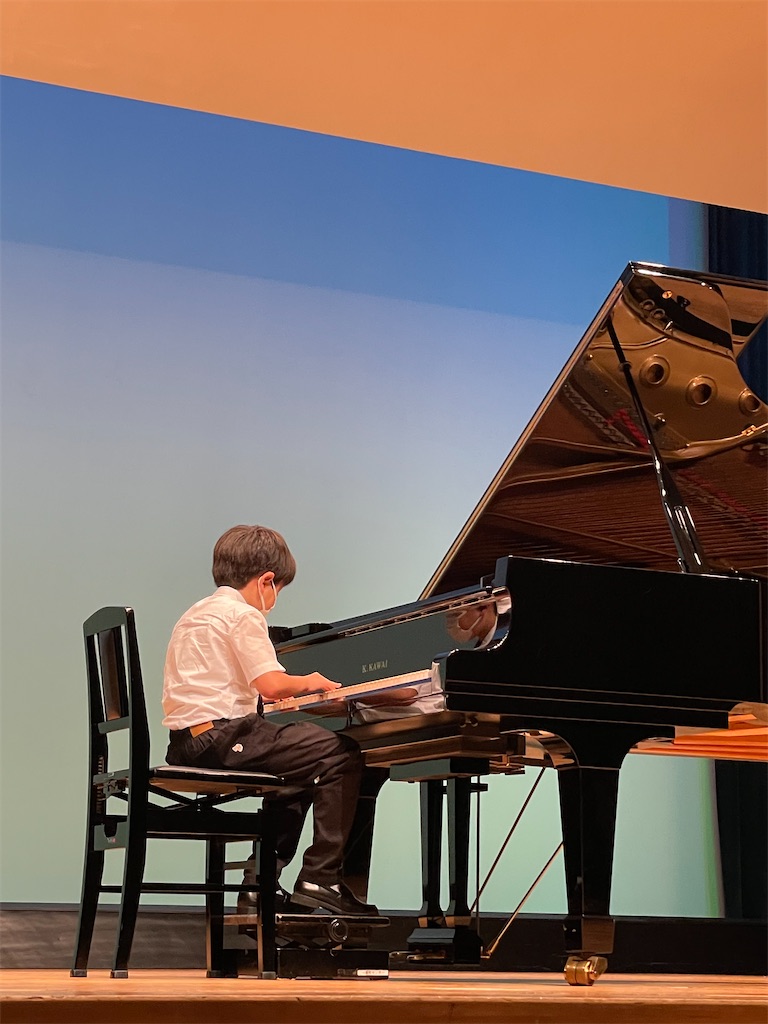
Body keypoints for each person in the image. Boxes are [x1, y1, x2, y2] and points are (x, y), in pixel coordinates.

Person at [162, 523, 378, 916]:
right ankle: (322, 878)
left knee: (299, 767)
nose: (274, 600)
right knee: (341, 753)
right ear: (266, 581)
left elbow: (225, 683)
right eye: (278, 589)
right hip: (223, 737)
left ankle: (258, 885)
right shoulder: (243, 615)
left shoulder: (194, 614)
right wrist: (310, 681)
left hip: (186, 743)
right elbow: (272, 685)